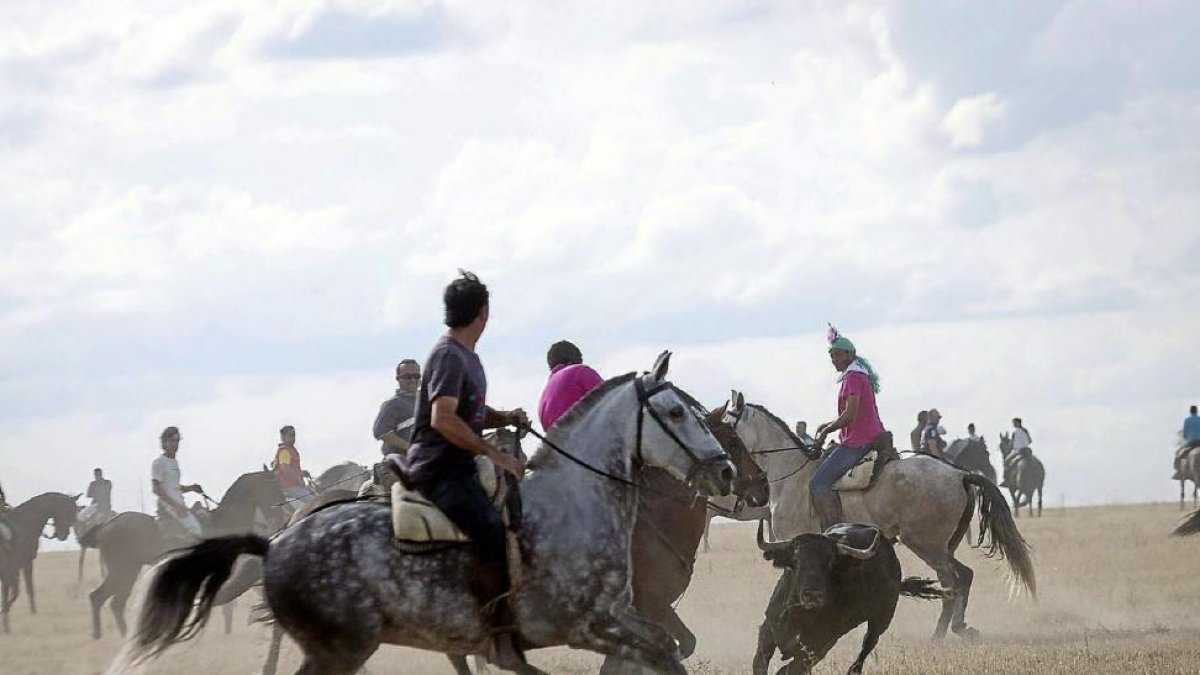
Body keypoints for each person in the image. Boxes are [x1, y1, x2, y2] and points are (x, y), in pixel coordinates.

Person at [404, 271, 529, 669]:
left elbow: (468, 412)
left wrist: (504, 416)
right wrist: (498, 455)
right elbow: (443, 418)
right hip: (439, 469)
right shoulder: (447, 355)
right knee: (491, 531)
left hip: (458, 466)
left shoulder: (464, 357)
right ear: (483, 312)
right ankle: (496, 637)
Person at [812, 325, 887, 530]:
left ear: (849, 355)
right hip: (865, 435)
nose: (833, 360)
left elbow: (850, 414)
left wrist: (828, 430)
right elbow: (851, 414)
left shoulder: (853, 377)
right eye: (832, 356)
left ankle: (832, 530)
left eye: (836, 355)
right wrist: (829, 424)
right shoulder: (858, 375)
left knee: (818, 482)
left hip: (858, 441)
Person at [537, 340, 604, 430]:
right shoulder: (579, 371)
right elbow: (611, 397)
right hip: (588, 437)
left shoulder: (542, 399)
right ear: (576, 359)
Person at [151, 426, 204, 538]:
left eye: (177, 441)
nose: (174, 444)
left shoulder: (174, 462)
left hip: (179, 502)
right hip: (169, 506)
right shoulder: (159, 462)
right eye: (171, 441)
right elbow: (156, 489)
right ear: (164, 443)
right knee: (196, 529)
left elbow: (173, 486)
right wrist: (175, 506)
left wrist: (191, 488)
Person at [374, 359, 421, 456]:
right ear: (398, 379)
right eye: (407, 377)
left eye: (416, 376)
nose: (412, 380)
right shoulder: (393, 404)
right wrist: (411, 447)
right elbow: (381, 432)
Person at [272, 425, 312, 504]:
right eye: (290, 435)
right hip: (290, 487)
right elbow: (285, 468)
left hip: (294, 485)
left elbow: (291, 468)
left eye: (294, 435)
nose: (293, 438)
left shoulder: (290, 450)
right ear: (283, 437)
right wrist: (299, 479)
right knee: (313, 502)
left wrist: (302, 473)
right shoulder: (285, 451)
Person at [1175, 406, 1200, 479]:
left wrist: (1187, 437)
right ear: (1197, 411)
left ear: (1190, 412)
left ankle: (1178, 472)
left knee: (1178, 453)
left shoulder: (1187, 420)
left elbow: (1185, 434)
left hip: (1191, 442)